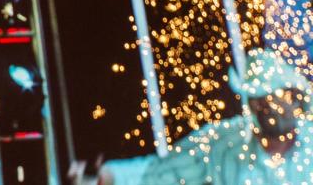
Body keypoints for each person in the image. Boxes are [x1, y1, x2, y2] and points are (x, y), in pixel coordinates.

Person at [98, 49, 313, 185]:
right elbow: (159, 173)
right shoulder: (222, 142)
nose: (282, 106)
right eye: (266, 100)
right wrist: (108, 176)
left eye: (289, 97)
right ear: (254, 105)